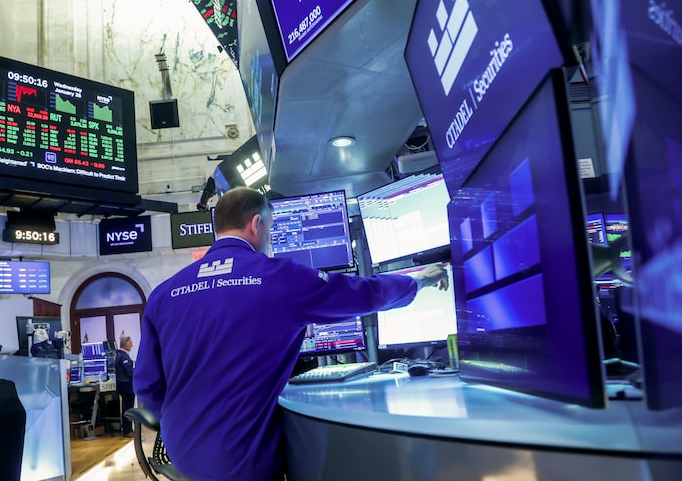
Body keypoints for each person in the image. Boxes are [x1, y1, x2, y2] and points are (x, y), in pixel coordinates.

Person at [134, 186, 448, 481]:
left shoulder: (163, 294)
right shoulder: (278, 277)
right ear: (256, 224)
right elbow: (362, 294)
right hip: (242, 461)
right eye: (269, 229)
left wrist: (184, 426)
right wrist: (418, 280)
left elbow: (147, 385)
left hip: (183, 455)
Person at [115, 335, 135, 437]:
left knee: (127, 408)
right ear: (126, 344)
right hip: (126, 386)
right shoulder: (123, 356)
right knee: (128, 408)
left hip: (124, 386)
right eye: (131, 343)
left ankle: (128, 429)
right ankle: (127, 431)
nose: (132, 345)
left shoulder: (120, 354)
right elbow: (129, 372)